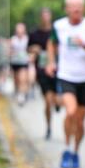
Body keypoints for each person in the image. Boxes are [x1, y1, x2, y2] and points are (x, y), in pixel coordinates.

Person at [46, 0, 85, 168]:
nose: (76, 14)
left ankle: (75, 151)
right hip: (66, 76)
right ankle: (66, 148)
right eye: (72, 10)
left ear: (83, 10)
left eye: (79, 10)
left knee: (80, 121)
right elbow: (51, 43)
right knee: (70, 112)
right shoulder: (59, 26)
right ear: (66, 10)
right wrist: (51, 61)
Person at [29, 8, 57, 140]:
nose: (46, 17)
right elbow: (28, 49)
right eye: (43, 15)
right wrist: (34, 49)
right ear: (41, 17)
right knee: (47, 101)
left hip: (58, 70)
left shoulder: (56, 31)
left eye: (48, 14)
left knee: (56, 99)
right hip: (42, 70)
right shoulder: (34, 34)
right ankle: (49, 127)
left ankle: (56, 103)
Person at [10, 22, 31, 105]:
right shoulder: (13, 39)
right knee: (16, 79)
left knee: (22, 79)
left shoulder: (27, 39)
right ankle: (17, 91)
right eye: (18, 28)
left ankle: (21, 95)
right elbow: (9, 50)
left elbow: (30, 50)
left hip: (24, 62)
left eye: (21, 28)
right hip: (15, 62)